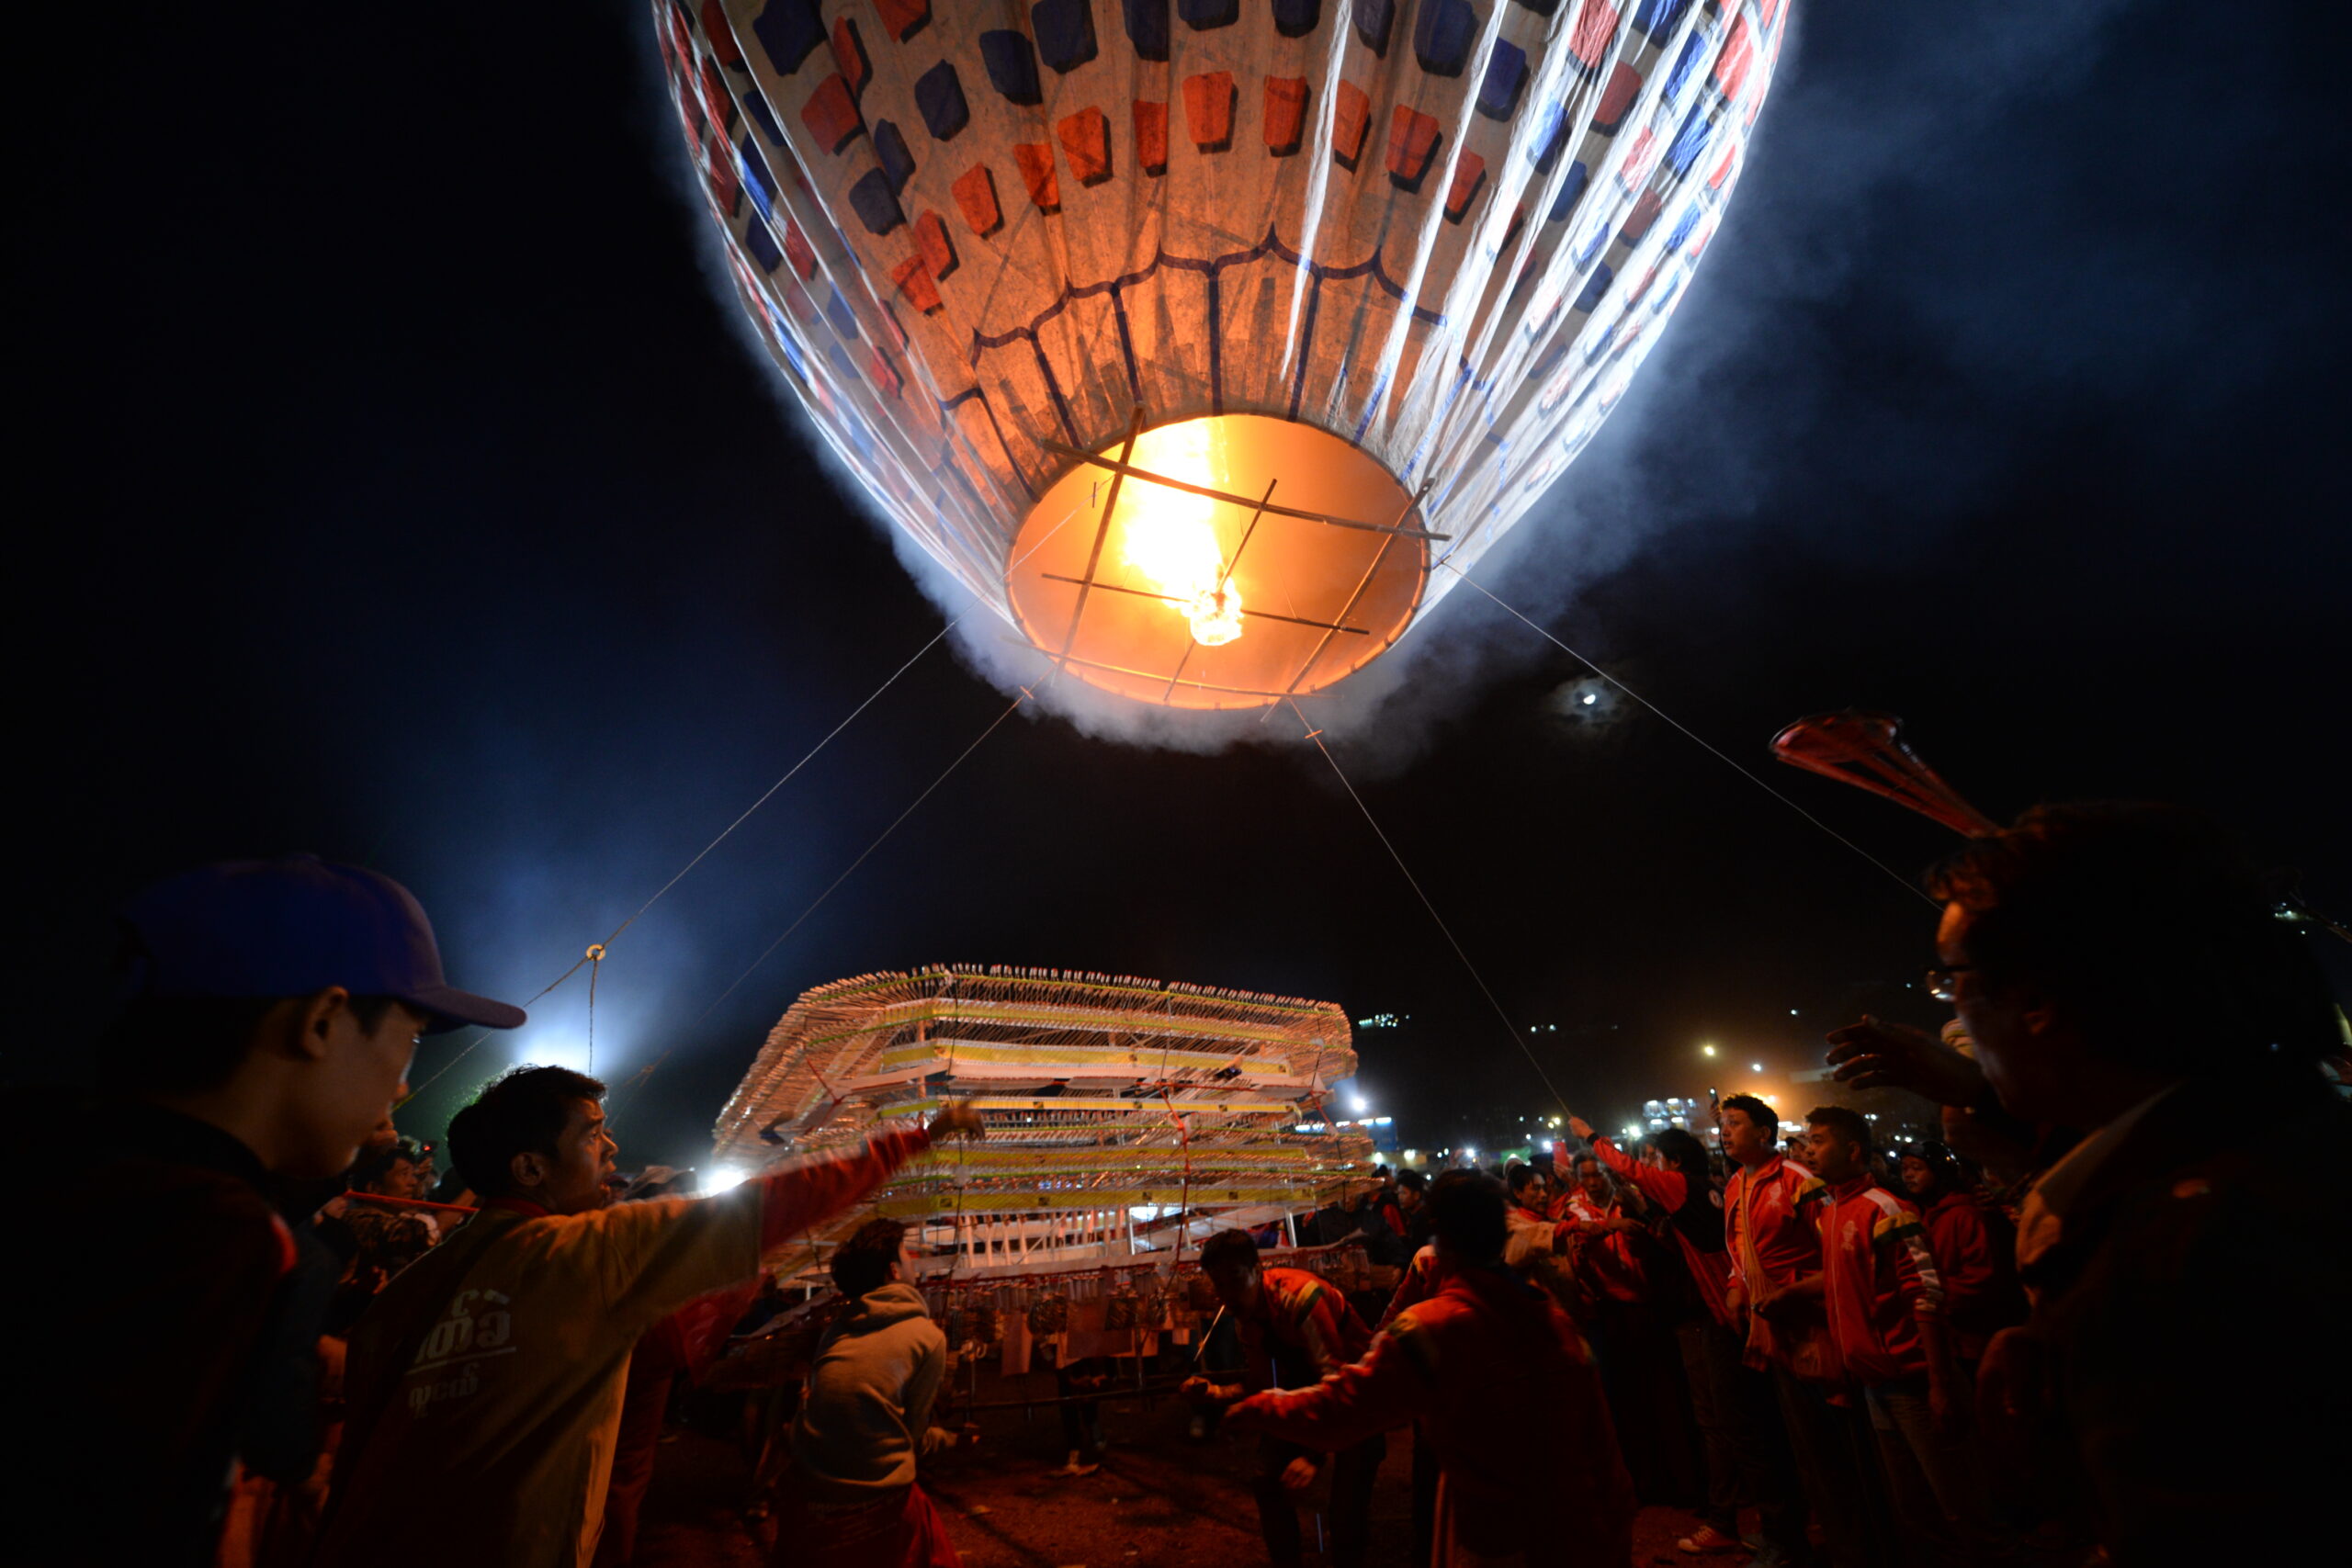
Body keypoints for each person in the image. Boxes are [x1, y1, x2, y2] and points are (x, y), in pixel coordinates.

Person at [10, 854, 525, 1568]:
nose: (402, 1086)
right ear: (322, 1020)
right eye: (408, 1041)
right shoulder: (204, 1232)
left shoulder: (69, 1164)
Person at [1879, 802, 2352, 1561]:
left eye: (1954, 978)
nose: (1951, 1012)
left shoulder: (2189, 1255)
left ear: (2039, 1002)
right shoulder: (2279, 1135)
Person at [318, 1067, 983, 1568]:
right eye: (591, 1135)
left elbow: (353, 1460)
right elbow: (778, 1202)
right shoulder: (588, 1252)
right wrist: (920, 1137)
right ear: (529, 1168)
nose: (610, 1148)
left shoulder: (400, 1297)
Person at [1224, 1170, 1637, 1567]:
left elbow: (1344, 1409)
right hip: (1578, 1535)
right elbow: (1605, 1454)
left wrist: (1260, 1408)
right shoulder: (1556, 1323)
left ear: (1441, 1237)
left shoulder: (1432, 1330)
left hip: (1497, 1543)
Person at [1572, 1117, 1786, 1563]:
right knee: (1730, 1423)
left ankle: (1775, 1534)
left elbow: (1629, 1169)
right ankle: (1748, 1520)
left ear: (1672, 1163)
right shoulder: (1711, 1189)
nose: (1649, 1166)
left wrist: (1589, 1135)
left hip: (1714, 1316)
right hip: (1715, 1311)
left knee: (1730, 1424)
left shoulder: (1683, 1185)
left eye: (1655, 1159)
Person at [1805, 1106, 1993, 1566]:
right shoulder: (1831, 1213)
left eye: (1819, 1140)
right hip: (1876, 1385)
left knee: (1963, 1506)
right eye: (1808, 1140)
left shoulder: (1885, 1208)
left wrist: (1939, 1384)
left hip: (1915, 1382)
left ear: (1853, 1150)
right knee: (1915, 1509)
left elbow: (1925, 1293)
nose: (1809, 1150)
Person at [1180, 1228, 1382, 1568]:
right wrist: (1214, 1393)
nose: (1227, 1294)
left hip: (1359, 1399)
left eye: (1235, 1279)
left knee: (1346, 1509)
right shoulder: (1247, 1320)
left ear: (1257, 1270)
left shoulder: (1301, 1298)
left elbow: (1336, 1383)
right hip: (1310, 1393)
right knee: (1266, 1482)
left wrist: (1313, 1456)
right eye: (1219, 1284)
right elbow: (1262, 1384)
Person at [778, 1217, 965, 1568]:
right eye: (907, 1256)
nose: (913, 1264)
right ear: (893, 1271)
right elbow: (912, 1434)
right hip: (875, 1489)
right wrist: (947, 1440)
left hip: (809, 1483)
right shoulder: (927, 1338)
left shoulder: (836, 1330)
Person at [1717, 1094, 1850, 1567]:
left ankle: (1851, 1544)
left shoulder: (1798, 1180)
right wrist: (1736, 1285)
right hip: (1767, 1332)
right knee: (1794, 1444)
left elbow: (1837, 1257)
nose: (1724, 1131)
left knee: (1829, 1448)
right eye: (1723, 1124)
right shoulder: (1736, 1184)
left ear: (1764, 1133)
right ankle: (1806, 1539)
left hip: (1813, 1330)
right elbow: (1740, 1250)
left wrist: (1795, 1293)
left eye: (1735, 1123)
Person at [1896, 1144, 2023, 1371]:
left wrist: (1931, 1297)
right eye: (1904, 1168)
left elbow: (1981, 1277)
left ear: (1938, 1172)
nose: (1908, 1175)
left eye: (1917, 1168)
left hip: (1975, 1338)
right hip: (1948, 1337)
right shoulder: (1921, 1214)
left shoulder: (1964, 1215)